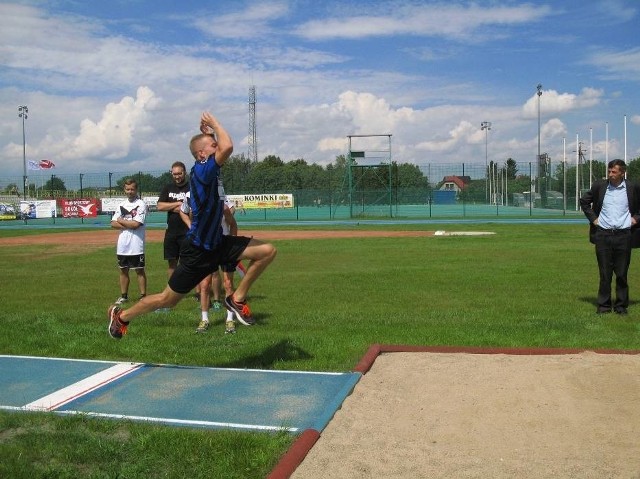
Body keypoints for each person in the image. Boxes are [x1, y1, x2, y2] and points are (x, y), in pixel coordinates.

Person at [107, 111, 276, 339]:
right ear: (202, 154)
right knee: (167, 299)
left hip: (217, 244)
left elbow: (220, 148)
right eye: (212, 144)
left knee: (267, 252)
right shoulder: (203, 170)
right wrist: (215, 123)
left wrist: (208, 134)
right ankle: (122, 317)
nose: (217, 143)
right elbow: (227, 147)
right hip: (198, 251)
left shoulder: (208, 169)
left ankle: (236, 299)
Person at [579, 159, 640, 315]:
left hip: (624, 235)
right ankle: (604, 306)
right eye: (609, 171)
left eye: (614, 171)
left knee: (621, 273)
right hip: (603, 235)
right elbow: (584, 201)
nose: (610, 174)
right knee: (605, 273)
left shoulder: (632, 187)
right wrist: (594, 219)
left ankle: (621, 306)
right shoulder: (600, 186)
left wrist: (636, 219)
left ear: (622, 172)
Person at [181, 194, 243, 334]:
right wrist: (192, 228)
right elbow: (183, 212)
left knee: (228, 283)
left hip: (224, 245)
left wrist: (232, 246)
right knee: (204, 284)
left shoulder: (220, 198)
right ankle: (204, 319)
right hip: (206, 247)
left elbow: (232, 223)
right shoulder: (192, 197)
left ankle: (230, 319)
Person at [110, 178, 147, 304]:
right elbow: (112, 223)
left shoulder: (141, 204)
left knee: (139, 270)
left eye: (132, 189)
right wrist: (128, 223)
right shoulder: (121, 205)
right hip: (123, 245)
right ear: (124, 190)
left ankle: (143, 296)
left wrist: (121, 220)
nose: (130, 191)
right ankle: (124, 296)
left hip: (136, 244)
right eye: (127, 189)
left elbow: (136, 224)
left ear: (136, 190)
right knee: (123, 270)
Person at [156, 161, 190, 279]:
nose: (177, 176)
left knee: (189, 263)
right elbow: (160, 206)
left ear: (184, 173)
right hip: (171, 232)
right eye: (174, 174)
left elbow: (192, 209)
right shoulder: (168, 188)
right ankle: (171, 291)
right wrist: (178, 204)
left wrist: (171, 206)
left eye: (179, 173)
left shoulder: (191, 187)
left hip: (187, 231)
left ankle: (196, 293)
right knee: (172, 263)